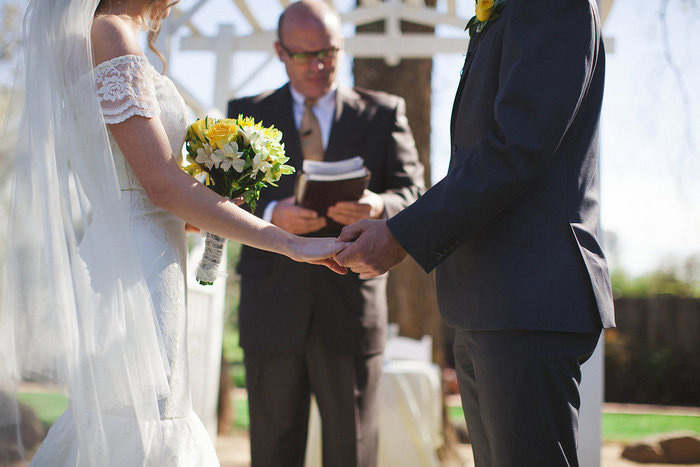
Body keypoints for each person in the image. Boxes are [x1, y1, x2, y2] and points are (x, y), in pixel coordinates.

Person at [0, 0, 349, 465]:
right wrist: (288, 242)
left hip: (139, 252)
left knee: (130, 417)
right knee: (147, 423)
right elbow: (161, 184)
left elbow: (146, 187)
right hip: (141, 267)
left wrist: (205, 204)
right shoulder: (110, 33)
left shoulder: (91, 37)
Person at [335, 0, 616, 465]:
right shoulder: (503, 13)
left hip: (528, 295)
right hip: (487, 299)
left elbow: (515, 148)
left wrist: (401, 234)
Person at [226, 1, 424, 465]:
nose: (319, 64)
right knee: (273, 453)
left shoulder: (383, 112)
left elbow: (415, 192)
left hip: (351, 313)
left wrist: (380, 205)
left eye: (329, 51)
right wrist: (273, 212)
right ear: (279, 51)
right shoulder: (244, 115)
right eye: (304, 54)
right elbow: (218, 201)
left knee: (352, 453)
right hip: (272, 310)